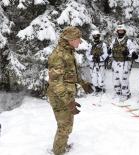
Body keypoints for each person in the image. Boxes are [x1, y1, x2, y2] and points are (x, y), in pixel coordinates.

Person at [47, 26, 92, 155]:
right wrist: (68, 102)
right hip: (59, 97)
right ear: (71, 39)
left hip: (66, 94)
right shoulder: (58, 55)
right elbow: (55, 83)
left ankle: (62, 147)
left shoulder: (68, 51)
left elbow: (70, 73)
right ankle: (58, 152)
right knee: (64, 127)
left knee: (68, 125)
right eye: (78, 38)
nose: (80, 41)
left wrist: (83, 83)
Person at [108, 24, 139, 102]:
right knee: (116, 78)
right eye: (119, 31)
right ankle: (118, 92)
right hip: (115, 62)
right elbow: (111, 49)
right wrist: (109, 51)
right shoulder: (114, 40)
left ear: (124, 32)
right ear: (117, 32)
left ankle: (126, 94)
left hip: (124, 62)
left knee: (124, 78)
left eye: (122, 31)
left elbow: (133, 50)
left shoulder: (128, 41)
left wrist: (128, 52)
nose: (120, 32)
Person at [87, 30, 108, 95]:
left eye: (97, 36)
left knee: (101, 76)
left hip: (100, 63)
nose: (96, 37)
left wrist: (100, 58)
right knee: (94, 76)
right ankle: (96, 87)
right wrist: (92, 57)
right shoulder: (90, 44)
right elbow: (87, 54)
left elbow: (106, 54)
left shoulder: (103, 44)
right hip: (93, 64)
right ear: (93, 36)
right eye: (94, 36)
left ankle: (101, 87)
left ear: (99, 36)